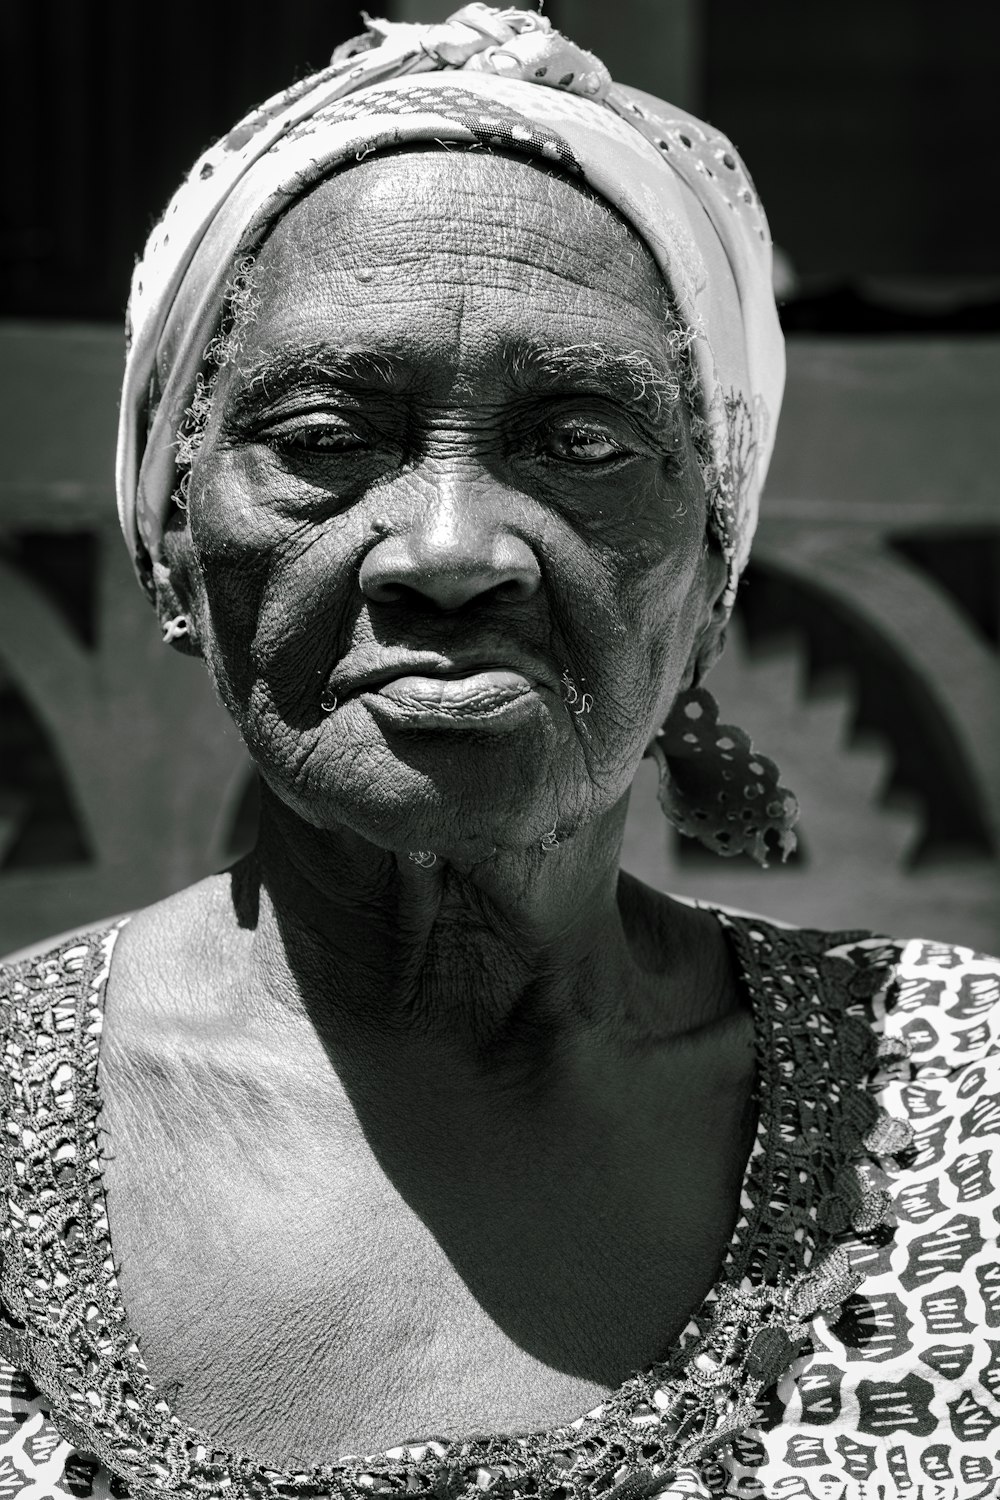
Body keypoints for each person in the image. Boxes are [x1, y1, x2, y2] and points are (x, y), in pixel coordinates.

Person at [1, 8, 997, 1498]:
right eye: (330, 437)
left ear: (715, 566)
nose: (452, 551)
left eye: (581, 442)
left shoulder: (964, 1104)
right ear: (170, 541)